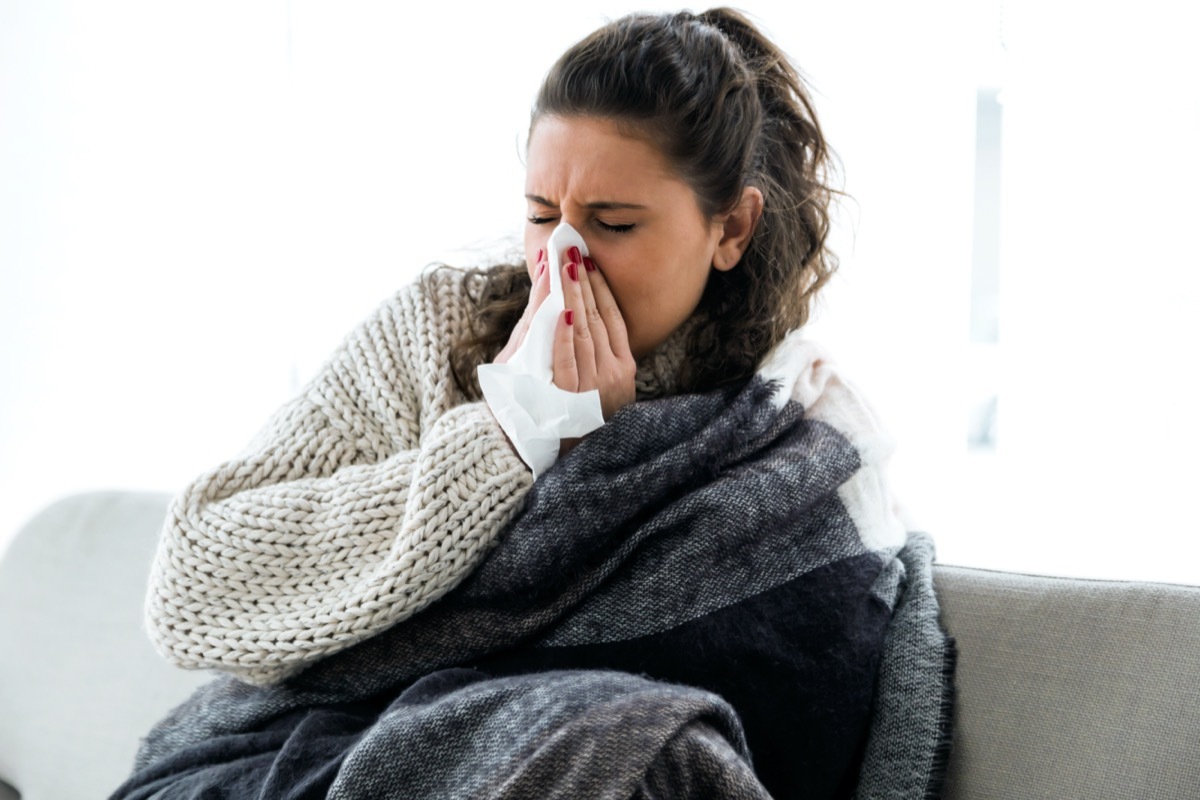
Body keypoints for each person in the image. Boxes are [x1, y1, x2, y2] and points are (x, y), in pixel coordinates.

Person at [130, 9, 953, 800]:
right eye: (538, 215)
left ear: (732, 228)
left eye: (613, 223)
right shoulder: (435, 332)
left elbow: (807, 683)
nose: (560, 259)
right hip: (314, 754)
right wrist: (509, 438)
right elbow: (193, 587)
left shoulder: (785, 430)